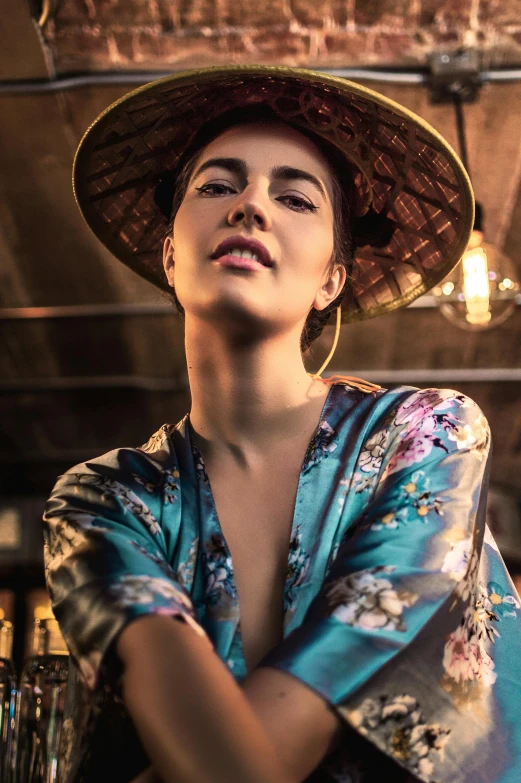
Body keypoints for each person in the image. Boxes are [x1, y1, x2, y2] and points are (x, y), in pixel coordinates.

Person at [42, 66, 521, 783]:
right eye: (216, 185)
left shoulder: (427, 436)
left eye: (293, 195)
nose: (250, 207)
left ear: (332, 276)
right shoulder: (104, 499)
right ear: (170, 256)